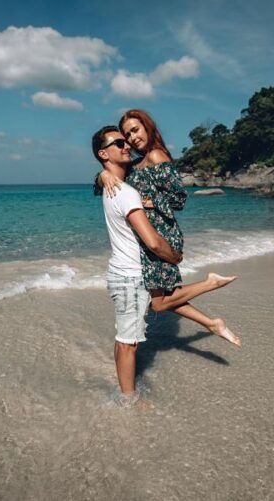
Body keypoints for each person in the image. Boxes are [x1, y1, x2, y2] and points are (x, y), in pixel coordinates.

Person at [93, 126, 238, 402]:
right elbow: (154, 242)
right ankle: (128, 401)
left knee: (148, 315)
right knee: (128, 342)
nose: (128, 144)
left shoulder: (127, 181)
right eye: (121, 140)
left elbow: (177, 199)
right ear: (104, 153)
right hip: (132, 273)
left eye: (130, 137)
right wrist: (174, 256)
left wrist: (108, 175)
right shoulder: (123, 190)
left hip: (127, 270)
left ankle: (127, 398)